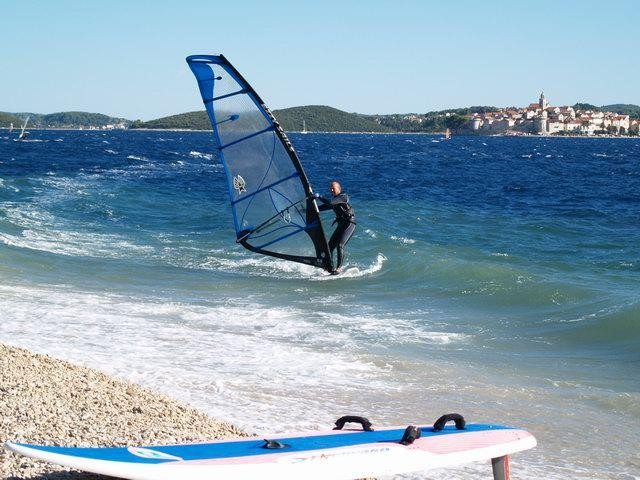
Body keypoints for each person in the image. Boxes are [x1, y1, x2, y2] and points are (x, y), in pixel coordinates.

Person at [315, 181, 356, 274]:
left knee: (340, 245)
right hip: (341, 225)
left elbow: (330, 203)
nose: (332, 190)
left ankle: (339, 268)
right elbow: (322, 207)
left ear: (339, 188)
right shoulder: (334, 201)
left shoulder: (343, 197)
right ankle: (329, 267)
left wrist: (319, 196)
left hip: (349, 224)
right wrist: (306, 210)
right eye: (331, 188)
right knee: (329, 247)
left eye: (333, 188)